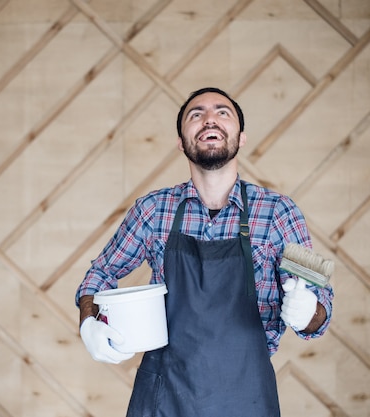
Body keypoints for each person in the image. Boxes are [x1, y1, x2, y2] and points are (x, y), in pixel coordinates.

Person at [75, 87, 334, 416]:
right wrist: (89, 322)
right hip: (164, 397)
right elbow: (100, 273)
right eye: (195, 114)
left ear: (241, 138)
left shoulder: (278, 213)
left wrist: (308, 310)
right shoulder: (154, 210)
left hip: (246, 399)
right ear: (181, 142)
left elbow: (320, 308)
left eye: (222, 112)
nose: (209, 118)